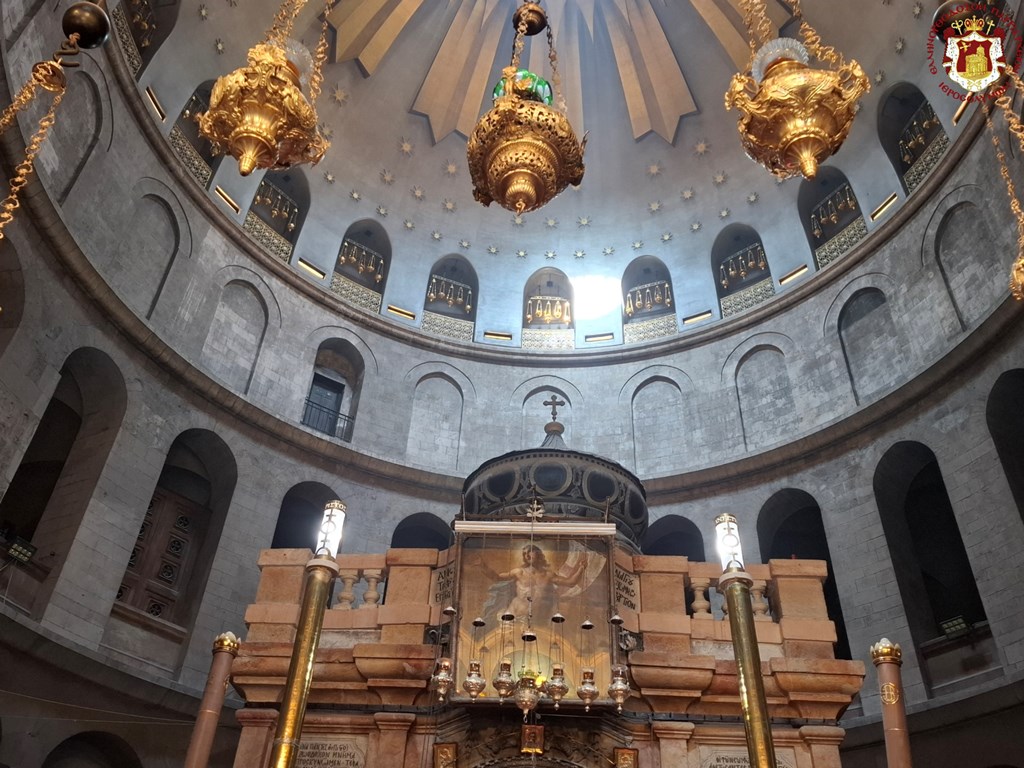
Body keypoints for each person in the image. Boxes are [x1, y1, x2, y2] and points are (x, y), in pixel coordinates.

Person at [480, 544, 586, 623]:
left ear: (538, 554)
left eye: (530, 552)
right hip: (513, 615)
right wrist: (483, 566)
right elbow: (497, 577)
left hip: (534, 620)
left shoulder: (548, 575)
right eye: (525, 553)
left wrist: (581, 568)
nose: (527, 555)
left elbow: (570, 583)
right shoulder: (519, 572)